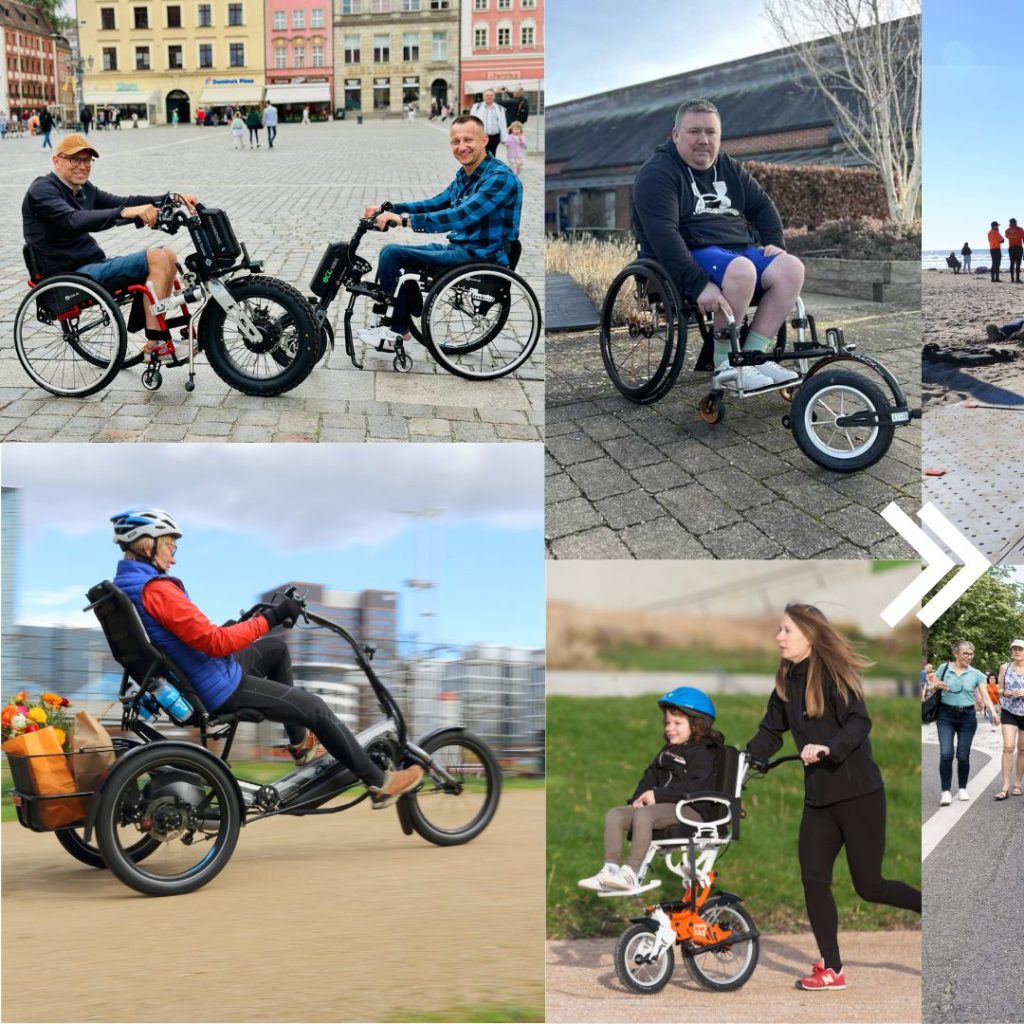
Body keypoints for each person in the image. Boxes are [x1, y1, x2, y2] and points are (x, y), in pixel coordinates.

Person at [109, 510, 423, 807]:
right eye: (169, 547)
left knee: (276, 649)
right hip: (216, 686)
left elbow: (189, 636)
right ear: (147, 544)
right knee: (315, 707)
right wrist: (271, 617)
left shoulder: (126, 586)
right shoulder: (158, 590)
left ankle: (300, 745)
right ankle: (379, 782)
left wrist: (246, 624)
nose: (173, 556)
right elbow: (216, 643)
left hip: (197, 673)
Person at [745, 604, 921, 992]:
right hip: (819, 799)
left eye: (786, 630)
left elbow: (860, 721)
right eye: (779, 630)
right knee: (813, 878)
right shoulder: (786, 681)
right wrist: (748, 757)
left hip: (858, 793)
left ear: (808, 635)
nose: (779, 637)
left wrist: (828, 747)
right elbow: (770, 732)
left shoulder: (833, 676)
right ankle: (833, 968)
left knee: (869, 885)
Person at [633, 97, 806, 390]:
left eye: (711, 132)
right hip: (690, 251)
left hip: (737, 249)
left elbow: (763, 207)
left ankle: (753, 356)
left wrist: (774, 242)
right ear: (675, 135)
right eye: (694, 131)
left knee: (791, 268)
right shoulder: (658, 173)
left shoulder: (729, 167)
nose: (704, 140)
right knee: (742, 270)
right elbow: (663, 234)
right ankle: (726, 364)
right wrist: (699, 284)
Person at [358, 115, 522, 355]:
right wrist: (391, 209)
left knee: (393, 254)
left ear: (484, 140)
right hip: (461, 248)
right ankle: (402, 315)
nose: (461, 146)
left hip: (481, 256)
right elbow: (437, 203)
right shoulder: (465, 174)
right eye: (455, 141)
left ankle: (399, 328)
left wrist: (404, 221)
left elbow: (458, 216)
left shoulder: (500, 178)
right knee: (390, 254)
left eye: (468, 140)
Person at [22, 133, 199, 353]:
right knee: (156, 256)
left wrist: (169, 199)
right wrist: (124, 212)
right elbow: (72, 220)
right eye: (75, 159)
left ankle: (157, 333)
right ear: (56, 161)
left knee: (168, 255)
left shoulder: (84, 190)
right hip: (68, 277)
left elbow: (124, 202)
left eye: (87, 160)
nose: (83, 166)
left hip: (91, 265)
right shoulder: (42, 190)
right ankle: (157, 343)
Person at [578, 686, 724, 893]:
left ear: (697, 724)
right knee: (616, 815)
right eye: (667, 723)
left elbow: (695, 785)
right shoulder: (667, 752)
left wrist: (657, 796)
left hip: (691, 808)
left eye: (677, 723)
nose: (669, 728)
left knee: (645, 815)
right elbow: (649, 778)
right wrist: (637, 799)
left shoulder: (704, 753)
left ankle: (631, 873)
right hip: (663, 808)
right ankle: (609, 870)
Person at [925, 639, 997, 804]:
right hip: (946, 716)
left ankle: (962, 788)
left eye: (971, 654)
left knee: (963, 755)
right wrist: (937, 686)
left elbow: (985, 695)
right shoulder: (944, 668)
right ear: (955, 653)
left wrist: (993, 712)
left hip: (967, 717)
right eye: (965, 653)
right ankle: (946, 791)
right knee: (946, 754)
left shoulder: (976, 674)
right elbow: (930, 688)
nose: (969, 656)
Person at [994, 640, 1024, 800]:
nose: (1017, 651)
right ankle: (1005, 787)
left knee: (1022, 749)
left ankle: (1017, 784)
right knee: (1008, 747)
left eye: (1020, 649)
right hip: (1009, 711)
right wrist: (1004, 693)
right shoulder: (1004, 668)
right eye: (1014, 648)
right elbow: (999, 689)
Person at [470, 90, 508, 156]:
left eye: (491, 95)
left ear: (494, 97)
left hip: (494, 137)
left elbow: (503, 123)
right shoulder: (476, 107)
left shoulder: (500, 108)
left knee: (492, 155)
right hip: (481, 136)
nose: (489, 97)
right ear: (483, 97)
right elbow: (471, 122)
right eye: (487, 95)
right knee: (481, 154)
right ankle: (482, 166)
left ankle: (490, 166)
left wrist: (504, 138)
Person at [1006, 217, 1023, 283]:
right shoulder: (1020, 229)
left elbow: (1007, 237)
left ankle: (1012, 279)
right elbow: (1023, 239)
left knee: (1012, 263)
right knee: (1018, 263)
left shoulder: (1007, 230)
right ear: (1015, 222)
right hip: (1018, 247)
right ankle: (1017, 279)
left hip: (1011, 248)